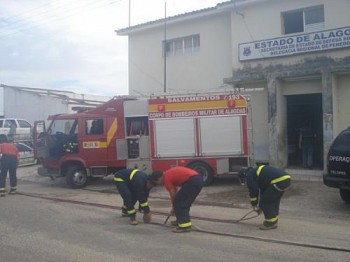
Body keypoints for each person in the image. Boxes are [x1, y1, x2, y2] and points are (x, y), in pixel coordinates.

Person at [150, 166, 203, 233]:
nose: (159, 184)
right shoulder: (168, 174)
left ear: (159, 178)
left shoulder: (166, 179)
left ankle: (185, 226)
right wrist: (175, 205)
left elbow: (172, 193)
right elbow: (175, 190)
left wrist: (174, 205)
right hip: (197, 179)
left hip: (192, 181)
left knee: (180, 203)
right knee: (183, 202)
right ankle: (180, 220)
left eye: (157, 182)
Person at [238, 165, 291, 230]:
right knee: (273, 199)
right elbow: (264, 192)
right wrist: (261, 206)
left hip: (279, 181)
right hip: (286, 179)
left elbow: (253, 190)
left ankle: (271, 222)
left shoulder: (250, 175)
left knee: (266, 201)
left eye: (244, 180)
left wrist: (254, 204)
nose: (246, 181)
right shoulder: (257, 172)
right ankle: (273, 218)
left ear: (244, 175)